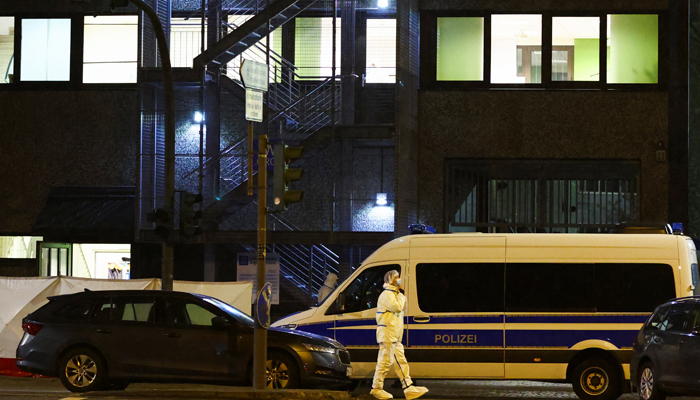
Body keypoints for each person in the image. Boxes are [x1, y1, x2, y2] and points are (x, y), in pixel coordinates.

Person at [370, 270, 429, 400]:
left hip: (394, 335)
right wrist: (402, 295)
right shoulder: (387, 295)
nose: (399, 279)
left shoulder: (394, 294)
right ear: (390, 279)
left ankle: (408, 387)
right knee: (385, 361)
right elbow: (397, 307)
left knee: (401, 362)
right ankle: (377, 388)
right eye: (396, 277)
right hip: (387, 334)